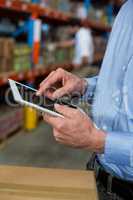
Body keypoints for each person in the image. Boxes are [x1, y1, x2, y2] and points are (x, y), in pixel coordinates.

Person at [37, 0, 133, 199]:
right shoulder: (127, 10)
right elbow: (121, 82)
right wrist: (84, 85)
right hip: (97, 173)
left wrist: (97, 140)